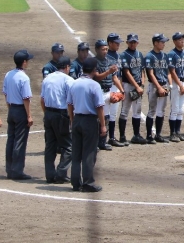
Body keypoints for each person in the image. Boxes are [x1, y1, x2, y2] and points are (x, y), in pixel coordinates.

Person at [67, 57, 107, 192]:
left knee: (76, 153)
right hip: (89, 121)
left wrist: (72, 120)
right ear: (94, 70)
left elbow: (70, 104)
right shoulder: (94, 85)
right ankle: (88, 182)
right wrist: (103, 125)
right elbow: (99, 107)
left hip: (77, 119)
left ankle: (75, 182)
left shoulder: (74, 83)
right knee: (89, 152)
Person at [40, 56, 74, 183]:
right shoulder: (68, 80)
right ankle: (61, 173)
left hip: (48, 114)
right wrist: (72, 118)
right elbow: (71, 102)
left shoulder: (47, 78)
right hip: (62, 115)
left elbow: (42, 100)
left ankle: (50, 175)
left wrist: (47, 114)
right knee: (69, 146)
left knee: (50, 146)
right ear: (66, 67)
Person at [3, 49, 34, 180]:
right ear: (24, 62)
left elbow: (5, 93)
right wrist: (29, 115)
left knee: (11, 140)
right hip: (21, 111)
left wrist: (10, 108)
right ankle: (17, 171)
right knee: (20, 141)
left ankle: (9, 169)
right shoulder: (24, 78)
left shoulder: (8, 74)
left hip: (12, 109)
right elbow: (26, 98)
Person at [94, 39, 124, 148]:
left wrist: (121, 90)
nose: (105, 51)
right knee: (97, 118)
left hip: (108, 91)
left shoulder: (110, 61)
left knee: (106, 117)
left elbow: (114, 77)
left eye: (106, 49)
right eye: (103, 49)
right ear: (97, 50)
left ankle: (103, 142)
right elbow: (97, 77)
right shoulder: (94, 62)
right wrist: (108, 72)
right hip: (98, 92)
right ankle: (95, 142)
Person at [119, 34, 147, 144]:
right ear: (127, 42)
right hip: (128, 85)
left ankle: (136, 135)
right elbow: (126, 72)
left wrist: (142, 85)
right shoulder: (124, 55)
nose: (132, 44)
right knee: (125, 111)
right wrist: (137, 86)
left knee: (137, 111)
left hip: (139, 86)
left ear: (137, 43)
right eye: (131, 42)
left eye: (134, 42)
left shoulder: (139, 54)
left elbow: (142, 71)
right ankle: (122, 137)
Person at [145, 33, 171, 143]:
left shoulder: (165, 56)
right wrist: (159, 87)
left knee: (161, 111)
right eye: (162, 42)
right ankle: (149, 136)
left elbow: (168, 72)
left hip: (164, 85)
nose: (164, 44)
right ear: (155, 43)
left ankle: (158, 135)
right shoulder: (149, 56)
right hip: (154, 86)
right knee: (152, 110)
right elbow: (151, 74)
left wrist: (169, 85)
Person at [168, 32, 184, 142]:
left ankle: (178, 132)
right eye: (180, 39)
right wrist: (180, 85)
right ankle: (172, 133)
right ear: (175, 41)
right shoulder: (171, 54)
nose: (182, 41)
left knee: (181, 109)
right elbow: (172, 71)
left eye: (182, 39)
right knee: (175, 108)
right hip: (176, 83)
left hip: (183, 82)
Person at [105, 33, 125, 145]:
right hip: (109, 87)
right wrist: (121, 89)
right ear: (110, 43)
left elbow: (119, 75)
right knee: (106, 114)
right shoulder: (106, 57)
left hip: (117, 87)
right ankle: (102, 139)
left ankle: (111, 138)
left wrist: (120, 89)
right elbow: (113, 77)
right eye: (116, 43)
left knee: (113, 114)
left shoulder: (118, 56)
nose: (118, 44)